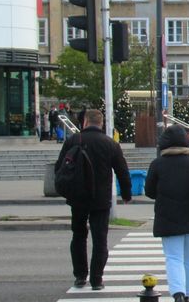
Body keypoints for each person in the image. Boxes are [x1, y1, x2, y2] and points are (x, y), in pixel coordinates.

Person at [54, 109, 131, 290]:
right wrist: (126, 194)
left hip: (78, 197)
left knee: (78, 236)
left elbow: (59, 166)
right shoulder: (110, 144)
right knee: (100, 239)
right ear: (101, 123)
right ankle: (97, 279)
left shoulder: (73, 140)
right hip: (101, 198)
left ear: (85, 122)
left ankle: (80, 276)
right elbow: (122, 171)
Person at [145, 125, 189, 302]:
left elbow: (149, 191)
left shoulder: (158, 164)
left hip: (168, 217)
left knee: (173, 258)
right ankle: (187, 295)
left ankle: (178, 294)